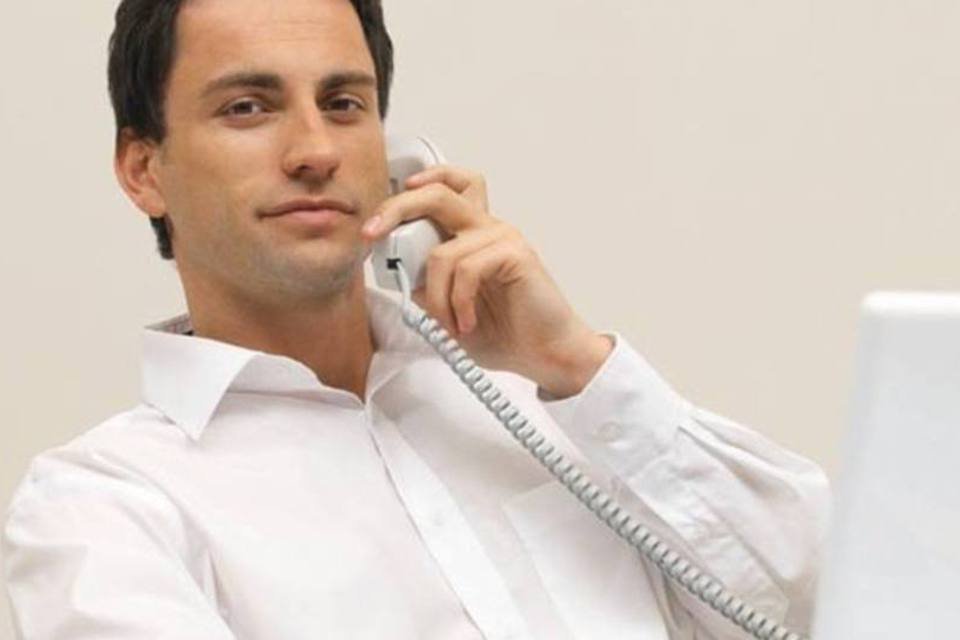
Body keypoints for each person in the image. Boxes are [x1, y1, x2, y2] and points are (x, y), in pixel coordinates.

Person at [1, 0, 830, 638]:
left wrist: (578, 366)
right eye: (248, 107)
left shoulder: (553, 416)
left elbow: (829, 600)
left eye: (343, 103)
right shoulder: (103, 505)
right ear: (144, 170)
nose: (315, 150)